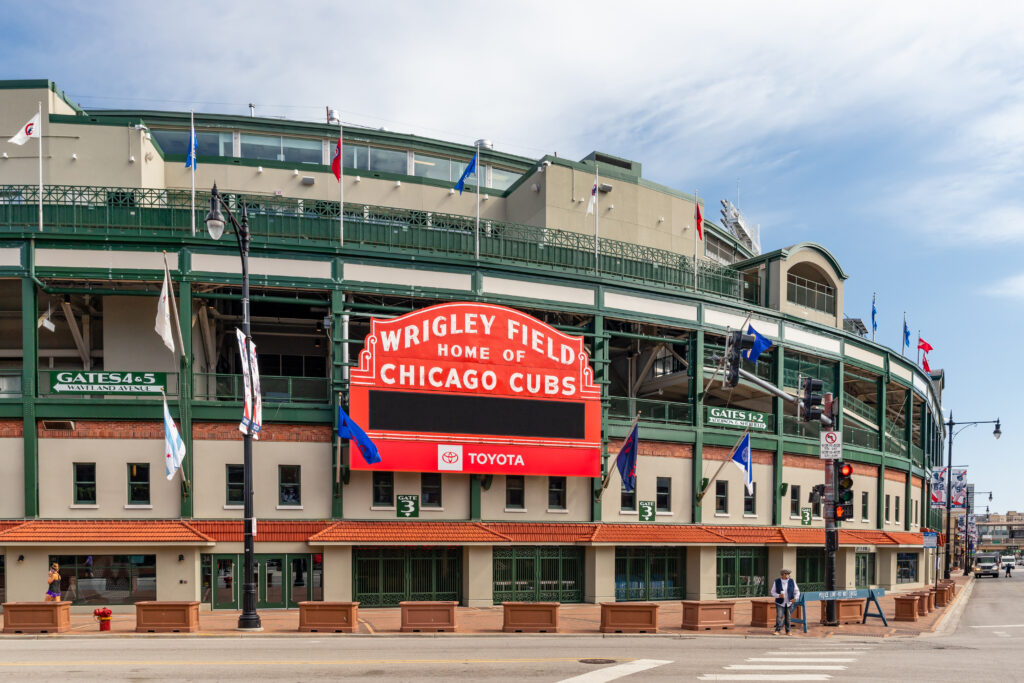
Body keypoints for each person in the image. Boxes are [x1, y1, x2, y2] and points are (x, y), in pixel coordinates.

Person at [770, 568, 800, 635]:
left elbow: (797, 591)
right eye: (787, 574)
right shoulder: (777, 581)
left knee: (788, 617)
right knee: (779, 617)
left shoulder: (792, 581)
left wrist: (795, 598)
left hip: (789, 602)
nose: (789, 575)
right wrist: (778, 595)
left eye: (789, 574)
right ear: (783, 574)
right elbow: (772, 592)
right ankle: (777, 630)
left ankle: (788, 631)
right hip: (780, 602)